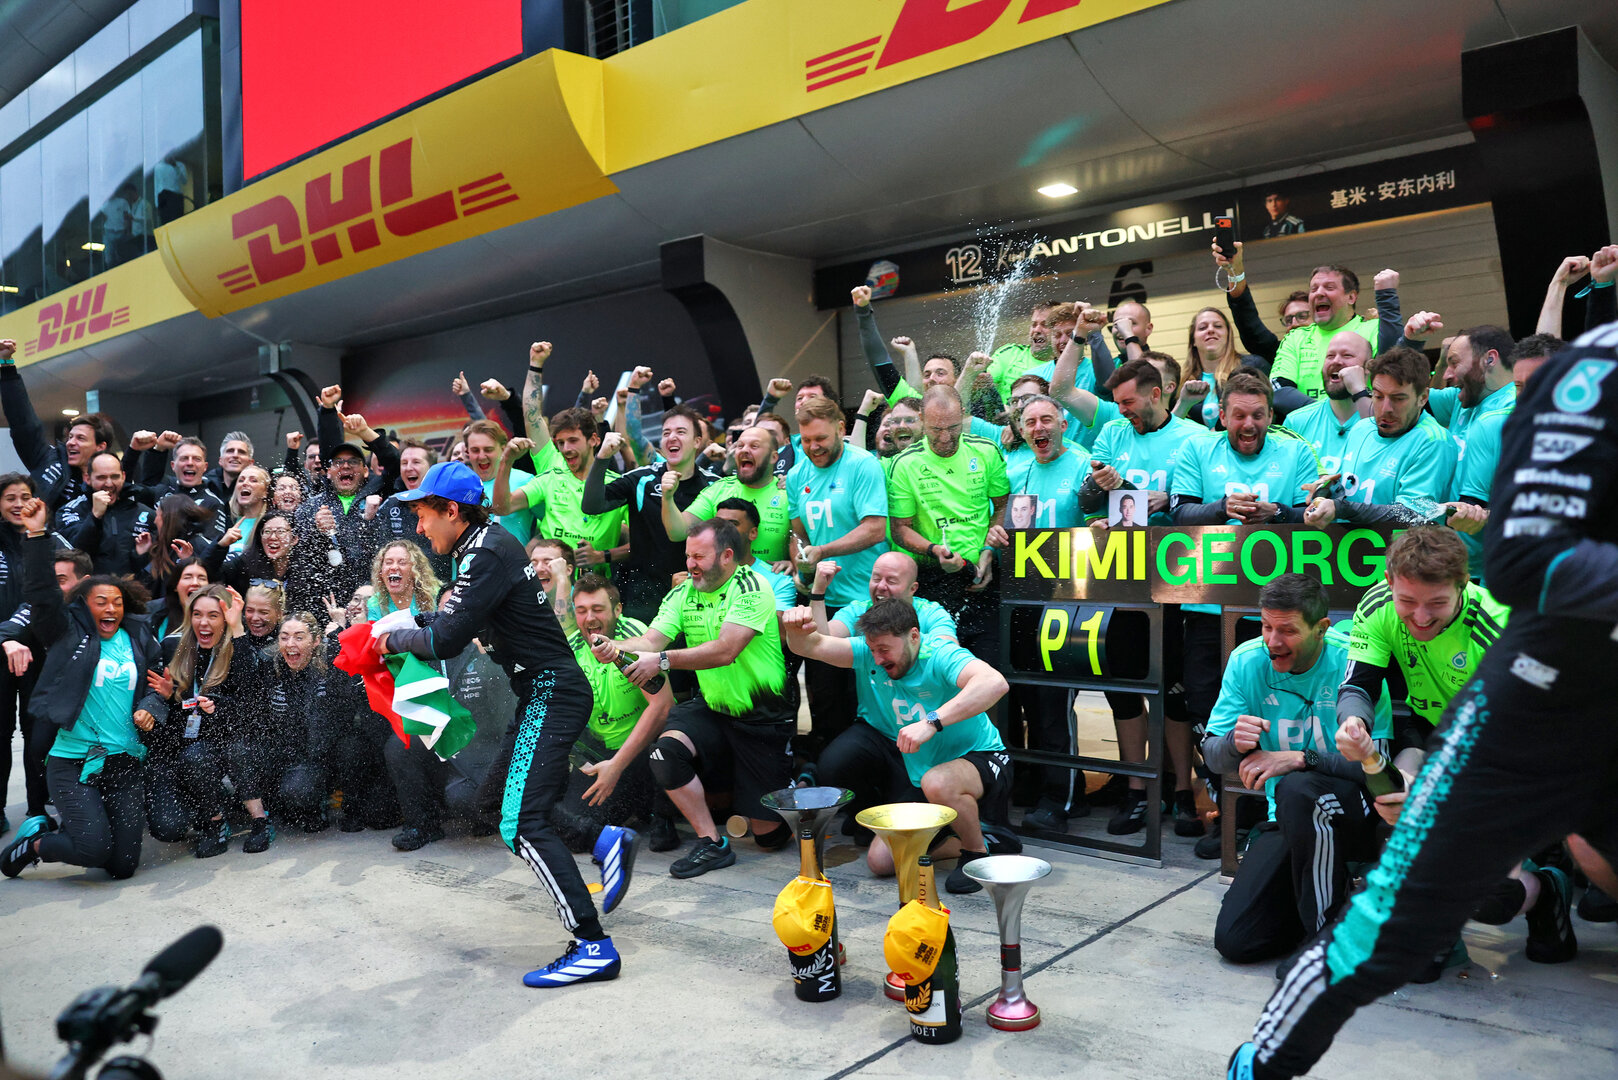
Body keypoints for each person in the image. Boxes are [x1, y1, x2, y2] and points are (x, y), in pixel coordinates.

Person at [1224, 318, 1616, 1080]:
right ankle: (1260, 1063)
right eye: (1410, 604)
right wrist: (1355, 731)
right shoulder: (1593, 371)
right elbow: (1522, 559)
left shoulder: (1478, 612)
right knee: (1402, 913)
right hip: (1530, 701)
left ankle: (1546, 893)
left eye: (1434, 605)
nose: (1420, 617)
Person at [376, 459, 626, 988]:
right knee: (491, 802)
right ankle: (602, 840)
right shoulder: (481, 546)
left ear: (451, 510)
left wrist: (393, 638)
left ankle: (592, 945)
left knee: (521, 824)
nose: (419, 526)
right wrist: (409, 623)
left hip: (551, 694)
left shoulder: (485, 551)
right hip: (540, 694)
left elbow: (445, 639)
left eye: (423, 514)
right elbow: (454, 620)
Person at [1201, 575, 1391, 964]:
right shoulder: (1247, 661)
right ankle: (1341, 910)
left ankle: (1324, 942)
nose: (1273, 641)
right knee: (1236, 941)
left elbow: (1381, 769)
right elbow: (1214, 758)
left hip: (1357, 812)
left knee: (1299, 786)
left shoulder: (1353, 664)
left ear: (1321, 629)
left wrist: (1300, 758)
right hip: (1287, 816)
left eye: (1287, 630)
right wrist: (1234, 743)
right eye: (1266, 626)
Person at [589, 518, 794, 879]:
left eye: (699, 557)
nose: (690, 564)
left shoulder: (752, 586)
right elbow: (651, 641)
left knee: (770, 838)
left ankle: (798, 778)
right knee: (664, 752)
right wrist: (613, 645)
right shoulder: (683, 592)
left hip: (762, 717)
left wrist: (661, 660)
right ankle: (712, 842)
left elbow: (726, 650)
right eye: (688, 556)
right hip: (713, 707)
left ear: (727, 556)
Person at [781, 598, 1011, 893]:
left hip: (980, 758)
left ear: (913, 636)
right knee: (880, 862)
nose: (877, 659)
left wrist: (931, 722)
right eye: (872, 649)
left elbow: (995, 683)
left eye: (884, 649)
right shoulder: (869, 653)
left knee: (937, 782)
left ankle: (975, 853)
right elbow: (811, 647)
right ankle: (974, 838)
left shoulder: (939, 653)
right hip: (924, 773)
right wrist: (795, 630)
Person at [2, 498, 166, 881]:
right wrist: (36, 534)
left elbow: (158, 685)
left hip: (124, 762)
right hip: (74, 762)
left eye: (117, 603)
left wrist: (151, 704)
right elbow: (42, 593)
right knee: (94, 850)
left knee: (122, 866)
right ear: (82, 604)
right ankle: (36, 844)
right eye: (100, 602)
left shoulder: (139, 637)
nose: (110, 609)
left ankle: (88, 827)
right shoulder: (66, 634)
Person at [788, 394, 890, 756]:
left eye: (821, 438)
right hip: (824, 602)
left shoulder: (863, 465)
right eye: (806, 440)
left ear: (841, 428)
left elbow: (875, 528)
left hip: (868, 602)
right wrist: (801, 563)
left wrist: (824, 550)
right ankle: (828, 771)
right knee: (826, 698)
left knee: (866, 699)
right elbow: (798, 535)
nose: (813, 447)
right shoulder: (797, 474)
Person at [554, 574, 670, 881]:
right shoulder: (573, 645)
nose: (590, 618)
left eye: (598, 609)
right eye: (581, 611)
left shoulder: (633, 639)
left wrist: (617, 766)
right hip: (601, 750)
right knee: (572, 828)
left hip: (643, 749)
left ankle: (658, 810)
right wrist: (578, 759)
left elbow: (663, 707)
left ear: (617, 610)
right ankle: (632, 808)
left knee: (663, 757)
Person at [888, 386, 1008, 670]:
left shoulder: (986, 451)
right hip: (932, 578)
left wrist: (988, 551)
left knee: (989, 668)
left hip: (983, 572)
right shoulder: (904, 464)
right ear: (921, 420)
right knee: (937, 668)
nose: (944, 437)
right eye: (936, 429)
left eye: (953, 428)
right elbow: (900, 529)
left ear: (963, 415)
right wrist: (934, 550)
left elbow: (1003, 505)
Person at [144, 585, 265, 856]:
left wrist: (218, 710)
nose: (204, 622)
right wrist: (170, 699)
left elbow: (252, 705)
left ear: (225, 619)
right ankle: (216, 823)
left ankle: (260, 820)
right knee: (194, 756)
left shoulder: (239, 646)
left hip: (236, 738)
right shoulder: (175, 647)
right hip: (197, 743)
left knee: (237, 749)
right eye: (197, 614)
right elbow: (177, 725)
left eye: (213, 615)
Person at [586, 405, 717, 620]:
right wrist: (602, 458)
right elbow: (591, 505)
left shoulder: (714, 486)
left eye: (681, 432)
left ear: (697, 441)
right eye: (666, 433)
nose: (672, 437)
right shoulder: (641, 479)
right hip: (643, 598)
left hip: (698, 594)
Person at [1304, 347, 1458, 527]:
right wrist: (1323, 493)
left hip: (1406, 545)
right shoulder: (1361, 428)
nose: (1386, 409)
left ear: (1423, 397)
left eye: (1398, 399)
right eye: (1378, 396)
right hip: (1354, 544)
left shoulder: (1434, 442)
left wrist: (1340, 508)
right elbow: (1349, 492)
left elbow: (1410, 516)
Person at [1424, 325, 1518, 579]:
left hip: (1496, 570)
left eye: (1454, 363)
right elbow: (1405, 396)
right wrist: (1424, 351)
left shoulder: (1516, 410)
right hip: (1452, 564)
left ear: (1490, 359)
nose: (1447, 375)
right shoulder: (1463, 399)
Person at [499, 403, 629, 575]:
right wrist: (506, 461)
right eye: (561, 443)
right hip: (549, 581)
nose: (566, 449)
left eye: (573, 441)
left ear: (594, 440)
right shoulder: (550, 478)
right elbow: (502, 507)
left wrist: (601, 556)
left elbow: (642, 543)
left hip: (596, 584)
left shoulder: (617, 485)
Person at [1, 339, 116, 511]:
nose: (71, 443)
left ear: (100, 446)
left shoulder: (112, 478)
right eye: (70, 437)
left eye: (80, 438)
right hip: (43, 528)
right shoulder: (47, 459)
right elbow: (23, 422)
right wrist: (7, 365)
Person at [673, 425, 791, 572]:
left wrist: (793, 564)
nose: (744, 450)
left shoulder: (787, 492)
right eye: (740, 445)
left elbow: (803, 540)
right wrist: (667, 497)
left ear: (774, 457)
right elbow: (677, 532)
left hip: (773, 582)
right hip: (723, 582)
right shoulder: (719, 489)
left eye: (754, 446)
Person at [1269, 266, 1379, 407]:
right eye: (1313, 289)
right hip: (1307, 421)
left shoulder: (1374, 329)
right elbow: (1278, 390)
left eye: (1329, 287)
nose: (1319, 293)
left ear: (1351, 297)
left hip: (1362, 418)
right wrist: (1324, 414)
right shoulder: (1295, 337)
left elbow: (1389, 381)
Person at [1280, 329, 1373, 476]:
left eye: (1347, 355)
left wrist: (1359, 390)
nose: (1336, 361)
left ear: (1368, 367)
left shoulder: (1385, 419)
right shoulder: (1296, 422)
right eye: (1330, 356)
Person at [54, 451, 149, 576]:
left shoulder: (145, 513)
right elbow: (75, 555)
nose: (109, 484)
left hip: (133, 586)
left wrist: (141, 556)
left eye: (115, 477)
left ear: (123, 476)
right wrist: (95, 516)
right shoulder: (69, 511)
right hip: (90, 586)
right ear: (87, 478)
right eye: (101, 477)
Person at [226, 465, 273, 557]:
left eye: (253, 480)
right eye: (241, 480)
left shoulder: (270, 524)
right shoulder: (225, 519)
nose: (245, 483)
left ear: (265, 492)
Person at [205, 432, 256, 503]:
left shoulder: (258, 490)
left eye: (241, 452)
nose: (235, 455)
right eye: (230, 451)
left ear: (250, 463)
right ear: (220, 460)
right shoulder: (204, 486)